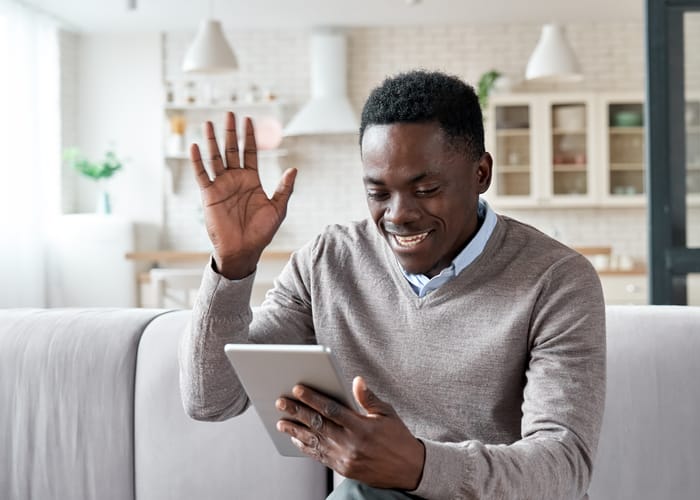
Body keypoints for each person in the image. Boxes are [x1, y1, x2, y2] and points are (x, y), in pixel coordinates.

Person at [179, 70, 606, 499]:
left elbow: (564, 466)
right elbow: (211, 400)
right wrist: (232, 266)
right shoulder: (328, 261)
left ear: (481, 173)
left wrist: (419, 466)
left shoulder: (557, 279)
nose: (398, 215)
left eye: (426, 189)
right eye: (378, 193)